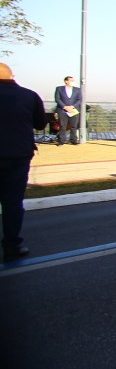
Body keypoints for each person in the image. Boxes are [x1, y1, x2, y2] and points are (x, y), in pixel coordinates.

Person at [0, 63, 47, 261]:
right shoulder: (29, 95)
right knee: (12, 202)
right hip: (18, 155)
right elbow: (40, 123)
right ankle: (12, 246)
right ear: (13, 76)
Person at [54, 75, 82, 145]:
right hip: (62, 110)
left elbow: (79, 99)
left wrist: (72, 107)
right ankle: (61, 140)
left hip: (73, 109)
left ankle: (73, 140)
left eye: (73, 81)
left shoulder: (77, 89)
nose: (73, 82)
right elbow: (57, 99)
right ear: (66, 81)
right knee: (62, 125)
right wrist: (64, 107)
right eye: (71, 80)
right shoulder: (59, 89)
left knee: (74, 125)